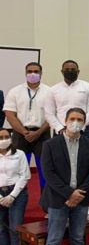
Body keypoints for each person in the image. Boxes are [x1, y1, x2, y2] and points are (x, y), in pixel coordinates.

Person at [40, 108, 89, 245]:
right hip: (58, 198)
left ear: (84, 123)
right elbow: (49, 173)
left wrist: (78, 194)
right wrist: (69, 194)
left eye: (80, 120)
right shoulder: (50, 144)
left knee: (78, 238)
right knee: (54, 239)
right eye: (72, 119)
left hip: (81, 198)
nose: (75, 122)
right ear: (65, 121)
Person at [3, 62, 51, 190]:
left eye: (36, 71)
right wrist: (24, 132)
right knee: (18, 170)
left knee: (45, 170)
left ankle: (46, 199)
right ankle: (18, 198)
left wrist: (38, 132)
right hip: (20, 135)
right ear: (25, 73)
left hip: (42, 134)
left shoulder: (49, 92)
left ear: (41, 73)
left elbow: (52, 115)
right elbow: (10, 115)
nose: (32, 74)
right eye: (29, 71)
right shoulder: (15, 91)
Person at [43, 60, 89, 139]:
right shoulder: (53, 90)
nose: (70, 71)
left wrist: (80, 126)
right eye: (67, 70)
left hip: (83, 130)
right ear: (62, 72)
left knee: (85, 148)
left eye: (73, 70)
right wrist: (59, 128)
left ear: (78, 72)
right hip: (61, 130)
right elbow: (49, 113)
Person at [0, 129, 30, 245]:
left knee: (15, 229)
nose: (4, 140)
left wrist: (12, 196)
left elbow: (25, 176)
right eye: (1, 137)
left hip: (17, 193)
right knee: (1, 229)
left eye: (6, 137)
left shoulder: (19, 154)